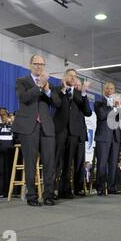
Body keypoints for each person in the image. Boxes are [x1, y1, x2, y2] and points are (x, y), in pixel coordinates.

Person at [11, 54, 61, 206]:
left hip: (47, 127)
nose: (39, 66)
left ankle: (48, 195)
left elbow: (57, 103)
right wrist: (39, 86)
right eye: (36, 63)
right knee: (30, 162)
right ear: (30, 65)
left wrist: (47, 90)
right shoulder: (22, 81)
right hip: (28, 127)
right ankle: (31, 196)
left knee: (49, 162)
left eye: (42, 64)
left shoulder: (49, 85)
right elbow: (24, 98)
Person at [53, 69, 92, 199]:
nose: (73, 78)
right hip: (60, 129)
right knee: (57, 161)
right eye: (70, 75)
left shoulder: (79, 94)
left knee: (68, 163)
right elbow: (55, 104)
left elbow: (87, 111)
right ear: (65, 77)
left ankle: (65, 189)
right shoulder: (58, 89)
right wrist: (64, 90)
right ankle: (53, 189)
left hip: (74, 132)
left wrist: (84, 93)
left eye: (75, 76)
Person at [94, 82, 121, 195]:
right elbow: (102, 115)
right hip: (103, 137)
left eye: (112, 89)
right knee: (102, 164)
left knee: (113, 163)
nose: (110, 90)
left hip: (115, 137)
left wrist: (119, 107)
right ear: (104, 90)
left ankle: (112, 187)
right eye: (108, 88)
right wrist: (114, 108)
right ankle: (100, 188)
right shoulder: (99, 102)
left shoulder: (117, 104)